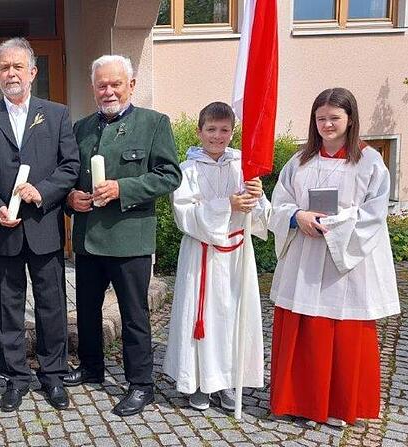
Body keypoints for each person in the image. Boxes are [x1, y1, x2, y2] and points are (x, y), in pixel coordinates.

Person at [0, 38, 79, 413]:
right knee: (7, 308)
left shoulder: (56, 114)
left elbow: (70, 166)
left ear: (32, 72)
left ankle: (53, 374)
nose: (11, 73)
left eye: (17, 67)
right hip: (2, 229)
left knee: (51, 305)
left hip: (43, 226)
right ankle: (14, 377)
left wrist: (42, 192)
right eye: (4, 67)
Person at [268, 88, 399, 426]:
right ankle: (301, 402)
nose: (327, 124)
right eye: (320, 118)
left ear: (350, 119)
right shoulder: (300, 160)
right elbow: (279, 201)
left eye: (334, 118)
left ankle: (338, 406)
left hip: (346, 263)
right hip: (305, 255)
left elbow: (374, 213)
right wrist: (297, 216)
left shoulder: (369, 161)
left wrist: (335, 225)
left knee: (342, 331)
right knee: (304, 328)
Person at [65, 54, 181, 417]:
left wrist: (123, 188)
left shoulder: (153, 123)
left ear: (131, 85)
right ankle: (91, 367)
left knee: (134, 314)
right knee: (86, 309)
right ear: (93, 88)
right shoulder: (81, 128)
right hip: (88, 237)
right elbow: (69, 176)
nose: (109, 91)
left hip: (130, 238)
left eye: (116, 84)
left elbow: (169, 175)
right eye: (102, 85)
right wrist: (70, 198)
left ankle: (140, 383)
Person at [163, 102, 269, 412]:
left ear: (232, 133)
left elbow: (262, 216)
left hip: (237, 256)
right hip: (202, 254)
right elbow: (184, 214)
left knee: (233, 317)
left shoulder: (243, 167)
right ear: (199, 132)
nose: (217, 136)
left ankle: (227, 382)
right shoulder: (187, 170)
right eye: (211, 129)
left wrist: (256, 198)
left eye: (224, 130)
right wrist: (227, 206)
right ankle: (198, 382)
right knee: (203, 319)